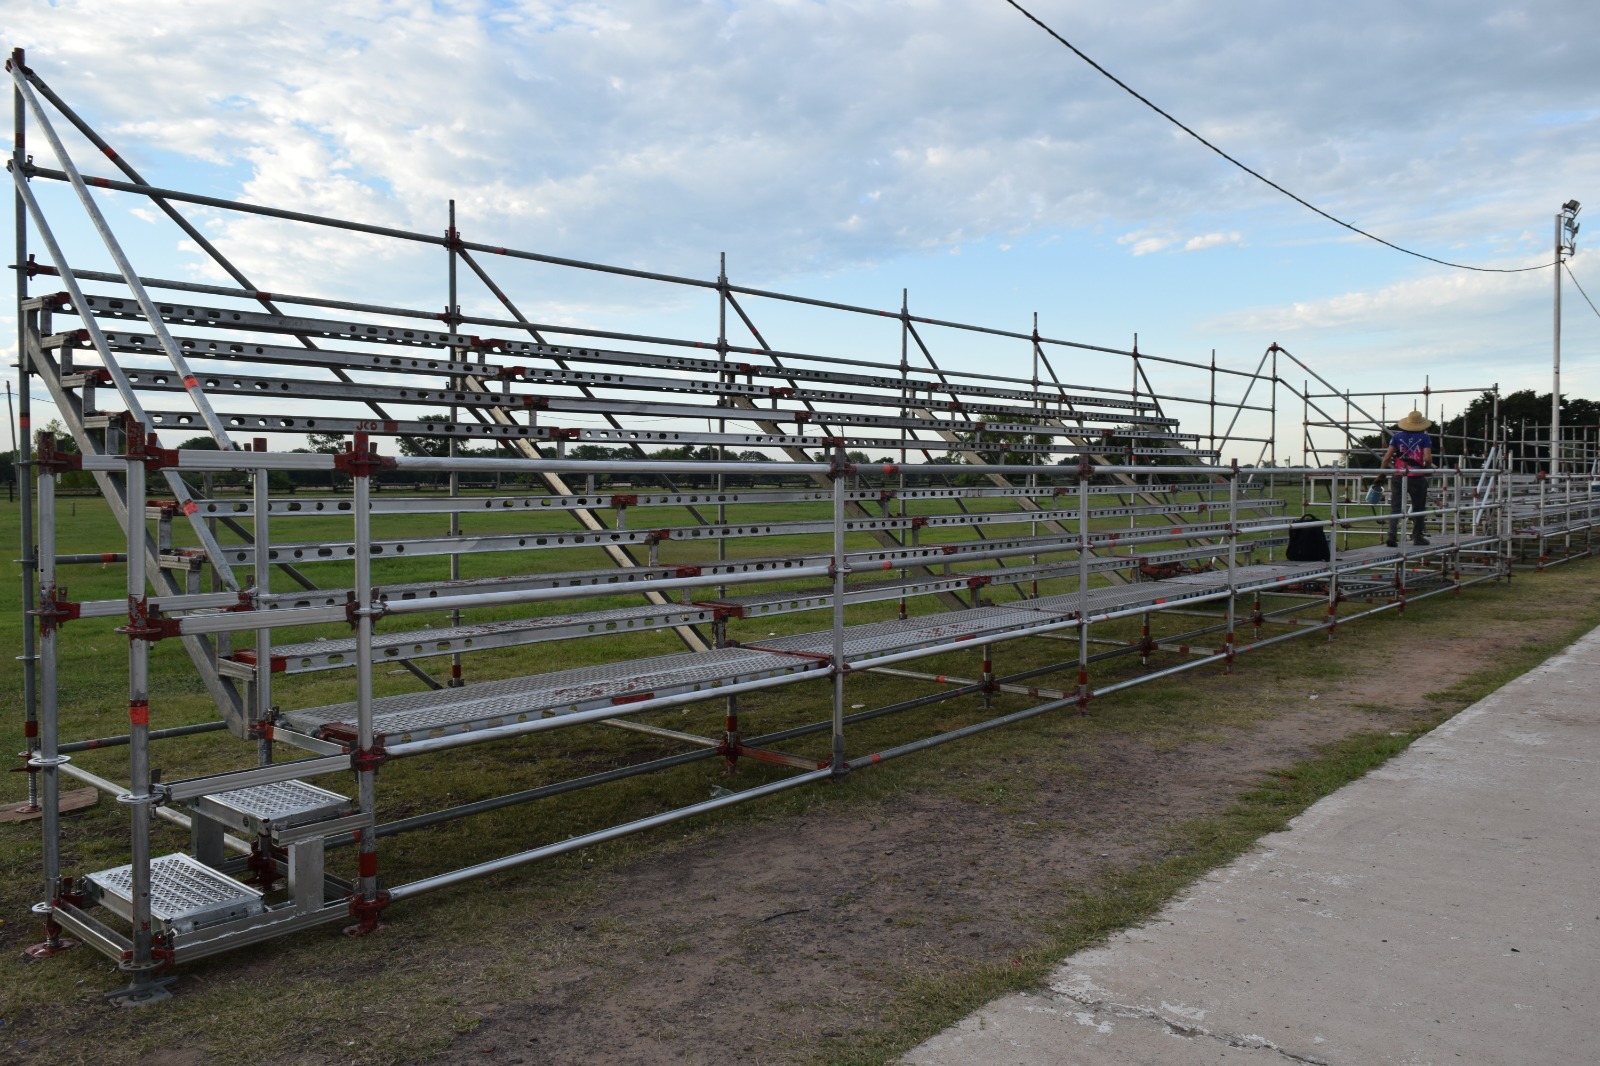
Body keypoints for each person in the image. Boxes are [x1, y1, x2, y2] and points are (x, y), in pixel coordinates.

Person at [1379, 410, 1433, 547]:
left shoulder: (1397, 437)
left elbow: (1387, 457)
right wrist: (1426, 468)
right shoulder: (1424, 438)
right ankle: (1417, 537)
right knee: (1418, 507)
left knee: (1396, 507)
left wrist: (1381, 473)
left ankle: (1392, 536)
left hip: (1398, 474)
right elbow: (1427, 458)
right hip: (1416, 476)